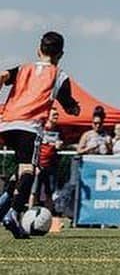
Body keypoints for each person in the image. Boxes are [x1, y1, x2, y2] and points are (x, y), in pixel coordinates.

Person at [0, 31, 80, 238]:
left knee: (18, 172)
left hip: (6, 123)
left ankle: (2, 206)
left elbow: (2, 76)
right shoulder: (59, 76)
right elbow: (69, 106)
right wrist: (74, 109)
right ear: (61, 54)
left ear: (39, 50)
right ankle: (14, 213)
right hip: (30, 125)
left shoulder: (23, 68)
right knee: (29, 170)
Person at [34, 108, 63, 212]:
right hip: (39, 164)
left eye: (57, 115)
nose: (56, 117)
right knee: (34, 191)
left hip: (51, 165)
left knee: (49, 191)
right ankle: (29, 213)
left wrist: (60, 145)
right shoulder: (41, 128)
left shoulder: (58, 130)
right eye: (54, 115)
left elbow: (61, 143)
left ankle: (48, 215)